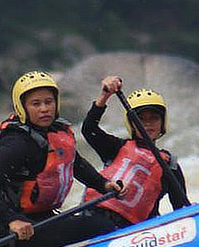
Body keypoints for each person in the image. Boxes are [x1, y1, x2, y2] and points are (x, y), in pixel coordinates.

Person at [0, 71, 124, 247]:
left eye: (48, 102)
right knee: (100, 226)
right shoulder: (16, 143)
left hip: (44, 219)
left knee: (101, 219)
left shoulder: (56, 131)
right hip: (17, 235)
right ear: (22, 107)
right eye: (36, 104)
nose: (44, 109)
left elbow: (75, 163)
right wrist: (11, 220)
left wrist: (103, 184)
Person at [80, 76, 190, 230]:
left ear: (162, 122)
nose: (148, 123)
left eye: (154, 118)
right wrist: (105, 96)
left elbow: (181, 209)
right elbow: (89, 129)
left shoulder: (170, 167)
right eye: (141, 119)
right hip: (98, 219)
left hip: (134, 234)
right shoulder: (116, 147)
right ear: (131, 123)